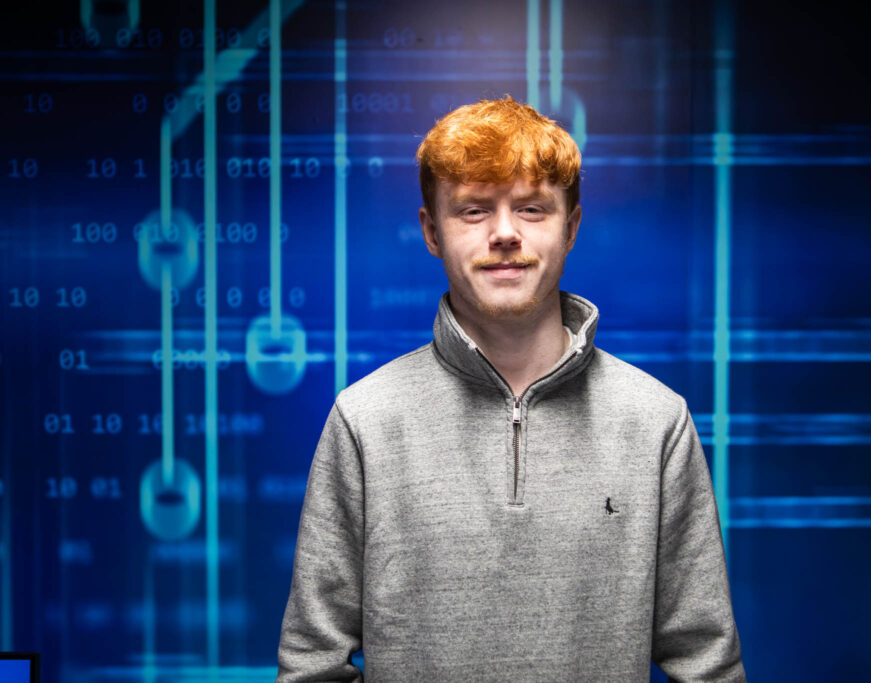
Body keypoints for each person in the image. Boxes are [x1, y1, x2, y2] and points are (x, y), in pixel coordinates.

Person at [276, 96, 746, 681]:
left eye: (531, 208)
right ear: (431, 231)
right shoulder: (365, 420)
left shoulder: (655, 421)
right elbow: (313, 665)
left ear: (570, 227)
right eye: (473, 210)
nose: (504, 234)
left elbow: (706, 663)